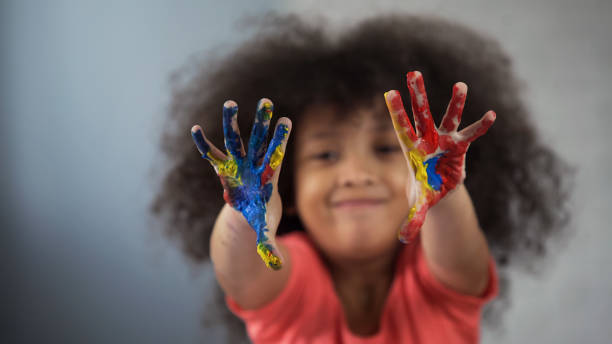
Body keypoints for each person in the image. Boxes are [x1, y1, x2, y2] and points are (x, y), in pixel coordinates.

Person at [152, 13, 573, 343]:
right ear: (292, 189)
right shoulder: (294, 281)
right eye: (326, 154)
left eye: (386, 149)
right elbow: (241, 271)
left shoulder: (440, 276)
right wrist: (244, 215)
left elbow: (456, 242)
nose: (355, 175)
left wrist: (443, 194)